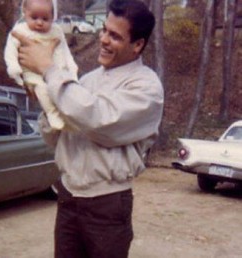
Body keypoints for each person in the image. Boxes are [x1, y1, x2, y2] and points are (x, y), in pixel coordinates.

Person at [12, 0, 164, 257]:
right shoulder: (86, 81)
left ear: (138, 45)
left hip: (107, 203)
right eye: (104, 30)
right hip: (69, 196)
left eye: (115, 36)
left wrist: (49, 70)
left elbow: (98, 120)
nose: (103, 39)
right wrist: (47, 101)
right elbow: (57, 138)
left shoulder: (146, 88)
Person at [4, 0, 78, 130]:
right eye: (34, 17)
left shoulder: (56, 31)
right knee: (43, 90)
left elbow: (64, 51)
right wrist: (13, 67)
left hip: (56, 70)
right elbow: (10, 50)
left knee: (62, 91)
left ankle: (67, 117)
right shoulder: (20, 31)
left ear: (52, 17)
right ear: (25, 13)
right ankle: (53, 116)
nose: (39, 22)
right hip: (32, 73)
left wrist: (71, 67)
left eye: (45, 19)